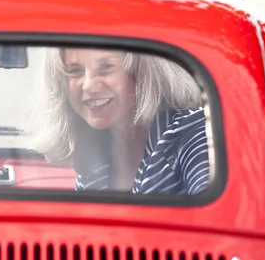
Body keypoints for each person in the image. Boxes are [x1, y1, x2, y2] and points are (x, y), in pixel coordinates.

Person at [25, 47, 210, 195]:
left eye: (106, 67)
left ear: (139, 72)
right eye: (75, 70)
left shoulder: (193, 131)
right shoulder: (92, 159)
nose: (89, 84)